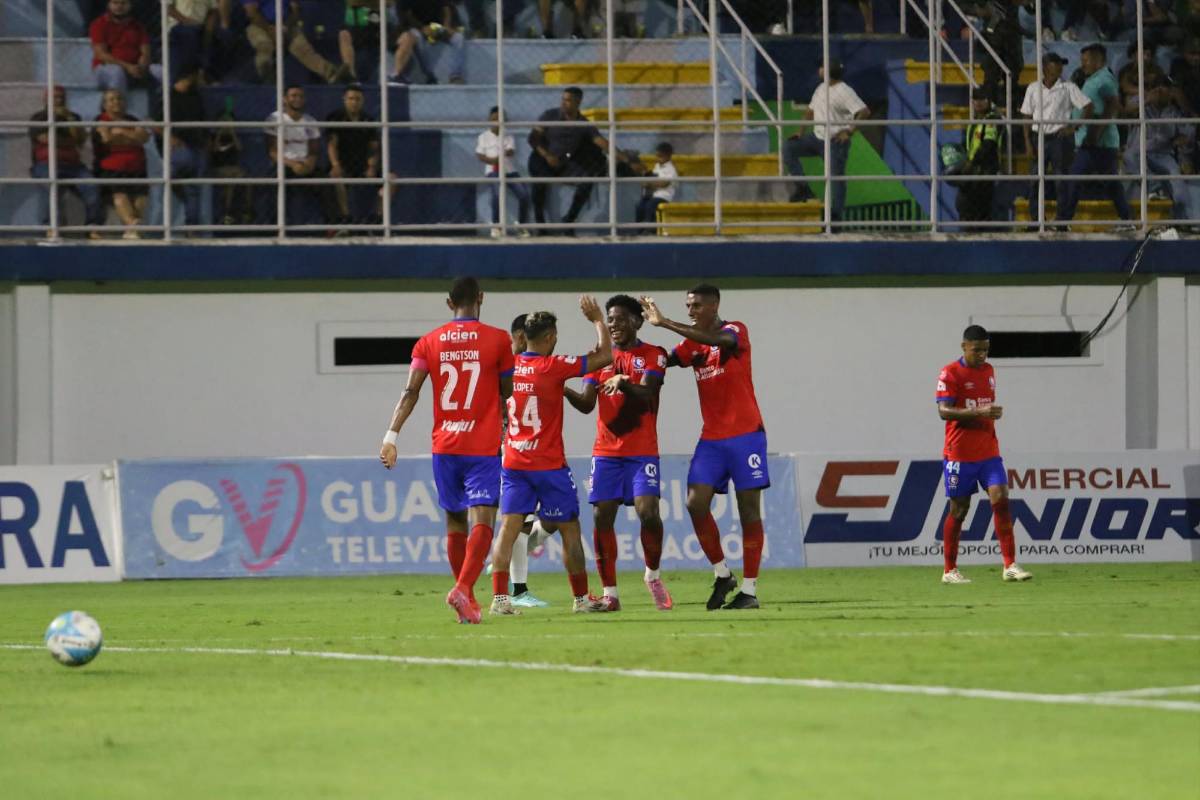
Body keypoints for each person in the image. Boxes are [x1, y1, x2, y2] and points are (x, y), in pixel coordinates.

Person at [379, 277, 515, 625]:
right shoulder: (499, 339)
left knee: (454, 519)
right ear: (481, 298)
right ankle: (462, 589)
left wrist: (391, 436)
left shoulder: (428, 343)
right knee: (483, 519)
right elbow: (507, 390)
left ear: (448, 302)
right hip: (481, 446)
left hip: (445, 446)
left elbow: (410, 392)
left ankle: (467, 599)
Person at [639, 285, 767, 610]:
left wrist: (665, 322)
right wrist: (629, 360)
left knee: (749, 510)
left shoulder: (735, 330)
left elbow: (719, 342)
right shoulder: (692, 343)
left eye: (695, 305)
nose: (691, 310)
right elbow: (664, 360)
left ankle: (750, 590)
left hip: (746, 436)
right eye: (687, 306)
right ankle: (723, 574)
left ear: (714, 305)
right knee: (696, 503)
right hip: (712, 440)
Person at [488, 300, 614, 616]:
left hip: (514, 462)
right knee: (570, 527)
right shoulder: (553, 365)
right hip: (549, 465)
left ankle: (500, 600)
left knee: (508, 529)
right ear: (549, 336)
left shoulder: (507, 369)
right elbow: (604, 356)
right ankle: (582, 599)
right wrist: (598, 320)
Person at [563, 295, 672, 611]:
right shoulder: (597, 359)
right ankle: (610, 594)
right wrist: (562, 388)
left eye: (621, 319)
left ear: (637, 322)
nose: (614, 325)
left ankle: (652, 575)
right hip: (607, 452)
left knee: (648, 512)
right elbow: (586, 404)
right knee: (601, 516)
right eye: (609, 320)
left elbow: (648, 392)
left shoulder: (654, 355)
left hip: (642, 452)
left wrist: (623, 382)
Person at [935, 325, 1033, 584]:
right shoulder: (950, 372)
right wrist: (979, 413)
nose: (982, 355)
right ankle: (949, 570)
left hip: (989, 452)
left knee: (1000, 498)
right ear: (964, 347)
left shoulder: (989, 371)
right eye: (976, 350)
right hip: (959, 455)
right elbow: (944, 411)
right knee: (959, 509)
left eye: (986, 350)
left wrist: (992, 413)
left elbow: (983, 405)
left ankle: (1010, 565)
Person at [527, 87, 639, 236]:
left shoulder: (583, 123)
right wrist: (547, 156)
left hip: (564, 162)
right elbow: (533, 138)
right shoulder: (550, 115)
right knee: (539, 180)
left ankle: (569, 222)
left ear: (577, 102)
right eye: (563, 99)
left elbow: (601, 142)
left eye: (568, 100)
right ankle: (540, 226)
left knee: (587, 181)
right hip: (542, 157)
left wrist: (626, 159)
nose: (563, 103)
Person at [782, 60, 869, 221]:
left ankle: (835, 217)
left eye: (822, 67)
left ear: (828, 71)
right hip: (816, 138)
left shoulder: (845, 91)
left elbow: (864, 112)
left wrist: (849, 131)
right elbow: (810, 111)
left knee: (835, 178)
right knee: (788, 148)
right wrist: (800, 132)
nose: (819, 69)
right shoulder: (821, 88)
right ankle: (803, 189)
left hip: (835, 141)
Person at [1058, 44, 1132, 225]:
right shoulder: (1094, 79)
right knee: (1110, 183)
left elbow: (1112, 105)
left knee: (1075, 178)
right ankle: (1127, 220)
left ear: (1099, 60)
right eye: (1082, 60)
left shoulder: (1104, 79)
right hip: (1096, 142)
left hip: (1098, 143)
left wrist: (1095, 134)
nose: (1082, 64)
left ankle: (1063, 221)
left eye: (1086, 60)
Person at [1019, 52, 1092, 222]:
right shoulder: (1033, 87)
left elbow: (1089, 106)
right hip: (1039, 137)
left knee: (1061, 181)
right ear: (1045, 67)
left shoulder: (1069, 87)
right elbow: (1026, 116)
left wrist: (1074, 127)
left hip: (1060, 138)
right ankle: (1036, 220)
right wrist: (1028, 142)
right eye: (1056, 64)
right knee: (1036, 180)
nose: (1060, 67)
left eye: (1060, 64)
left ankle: (1061, 220)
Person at [28, 86, 104, 235]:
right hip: (46, 164)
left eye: (61, 97)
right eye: (55, 97)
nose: (59, 100)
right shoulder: (39, 117)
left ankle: (92, 226)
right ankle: (50, 227)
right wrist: (69, 140)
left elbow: (80, 140)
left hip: (73, 165)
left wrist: (68, 120)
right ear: (46, 99)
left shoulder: (73, 117)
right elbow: (44, 138)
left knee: (92, 186)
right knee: (50, 189)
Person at [1123, 75, 1196, 224]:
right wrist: (1147, 100)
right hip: (1141, 152)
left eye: (1165, 88)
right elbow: (1127, 110)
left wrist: (1181, 144)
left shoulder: (1174, 111)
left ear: (1170, 92)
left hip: (1164, 155)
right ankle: (1154, 187)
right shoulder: (1143, 101)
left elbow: (1188, 133)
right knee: (1129, 155)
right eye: (1157, 87)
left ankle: (1184, 223)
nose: (1160, 91)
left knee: (1180, 192)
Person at [264, 85, 338, 229]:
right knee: (273, 185)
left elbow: (314, 151)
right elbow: (272, 152)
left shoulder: (310, 121)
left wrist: (308, 165)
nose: (297, 99)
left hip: (306, 165)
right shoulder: (274, 119)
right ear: (285, 99)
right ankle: (275, 228)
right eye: (293, 95)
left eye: (300, 96)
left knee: (326, 184)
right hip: (284, 164)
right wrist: (292, 164)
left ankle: (333, 227)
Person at [242, 0, 353, 84]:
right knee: (264, 45)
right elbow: (251, 13)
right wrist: (271, 30)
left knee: (303, 49)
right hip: (259, 26)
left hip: (286, 25)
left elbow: (295, 9)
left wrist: (286, 26)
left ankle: (332, 74)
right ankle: (266, 76)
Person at [152, 68, 207, 233]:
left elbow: (202, 120)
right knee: (174, 181)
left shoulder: (195, 96)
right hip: (179, 149)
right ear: (189, 76)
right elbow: (156, 124)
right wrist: (169, 137)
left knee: (194, 189)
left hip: (196, 146)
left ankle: (192, 227)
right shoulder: (168, 97)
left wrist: (206, 141)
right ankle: (162, 225)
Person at [93, 88, 151, 238]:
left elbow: (143, 138)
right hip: (112, 167)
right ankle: (133, 226)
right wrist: (132, 137)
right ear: (104, 104)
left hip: (137, 165)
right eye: (111, 99)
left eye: (119, 98)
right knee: (120, 194)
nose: (116, 102)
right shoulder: (100, 119)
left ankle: (132, 229)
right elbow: (107, 139)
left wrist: (121, 131)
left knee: (141, 197)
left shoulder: (132, 119)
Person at [326, 84, 383, 227]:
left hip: (364, 164)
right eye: (351, 98)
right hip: (343, 163)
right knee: (335, 177)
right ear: (344, 99)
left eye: (358, 99)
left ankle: (377, 218)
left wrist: (371, 167)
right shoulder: (335, 117)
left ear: (363, 101)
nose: (354, 102)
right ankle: (346, 217)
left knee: (392, 180)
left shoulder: (368, 120)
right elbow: (332, 144)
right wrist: (336, 165)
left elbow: (374, 148)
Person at [476, 107, 531, 237]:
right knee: (496, 196)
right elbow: (480, 155)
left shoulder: (508, 135)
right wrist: (493, 160)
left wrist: (502, 155)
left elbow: (511, 151)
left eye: (499, 119)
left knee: (524, 195)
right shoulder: (483, 136)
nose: (496, 121)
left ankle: (521, 225)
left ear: (505, 120)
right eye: (494, 119)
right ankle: (496, 225)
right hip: (493, 171)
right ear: (489, 120)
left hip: (510, 171)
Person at [956, 87, 1004, 230]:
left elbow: (988, 145)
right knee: (965, 206)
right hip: (973, 170)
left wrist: (972, 162)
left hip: (985, 170)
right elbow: (968, 145)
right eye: (975, 99)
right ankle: (970, 239)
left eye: (982, 99)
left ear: (989, 101)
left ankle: (980, 241)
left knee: (980, 209)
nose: (978, 103)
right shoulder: (975, 121)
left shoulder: (992, 119)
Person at [89, 0, 161, 92]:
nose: (119, 6)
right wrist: (127, 67)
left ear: (130, 5)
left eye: (123, 3)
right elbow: (100, 54)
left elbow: (145, 52)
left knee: (160, 71)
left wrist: (142, 65)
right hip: (107, 68)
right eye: (115, 3)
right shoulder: (99, 24)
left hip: (134, 68)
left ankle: (166, 105)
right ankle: (119, 105)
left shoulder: (137, 26)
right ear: (108, 5)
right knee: (117, 72)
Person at [389, 0, 465, 85]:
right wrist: (422, 28)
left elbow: (446, 8)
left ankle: (455, 75)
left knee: (458, 38)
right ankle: (429, 75)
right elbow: (405, 17)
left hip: (437, 27)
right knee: (415, 37)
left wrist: (446, 26)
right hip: (416, 28)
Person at [165, 0, 218, 83]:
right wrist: (186, 21)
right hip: (178, 26)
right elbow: (167, 7)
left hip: (200, 26)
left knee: (223, 35)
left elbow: (213, 11)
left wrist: (209, 30)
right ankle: (185, 78)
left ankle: (209, 77)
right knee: (189, 33)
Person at [635, 142, 677, 234]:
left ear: (668, 156)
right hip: (653, 195)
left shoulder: (670, 169)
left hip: (663, 196)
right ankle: (639, 229)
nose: (658, 158)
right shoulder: (657, 166)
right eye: (657, 156)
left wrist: (649, 184)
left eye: (660, 156)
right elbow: (653, 177)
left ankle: (649, 229)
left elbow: (664, 183)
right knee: (640, 206)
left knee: (650, 205)